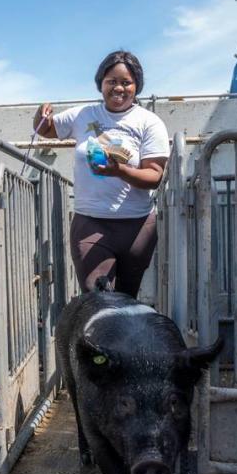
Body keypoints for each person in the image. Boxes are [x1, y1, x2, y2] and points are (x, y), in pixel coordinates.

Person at [33, 50, 169, 299]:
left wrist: (121, 171)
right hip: (90, 223)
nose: (119, 88)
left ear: (136, 86)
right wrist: (41, 114)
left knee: (127, 301)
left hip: (137, 226)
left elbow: (154, 175)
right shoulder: (84, 115)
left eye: (126, 82)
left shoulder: (149, 122)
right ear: (100, 84)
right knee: (97, 297)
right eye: (112, 81)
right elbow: (47, 130)